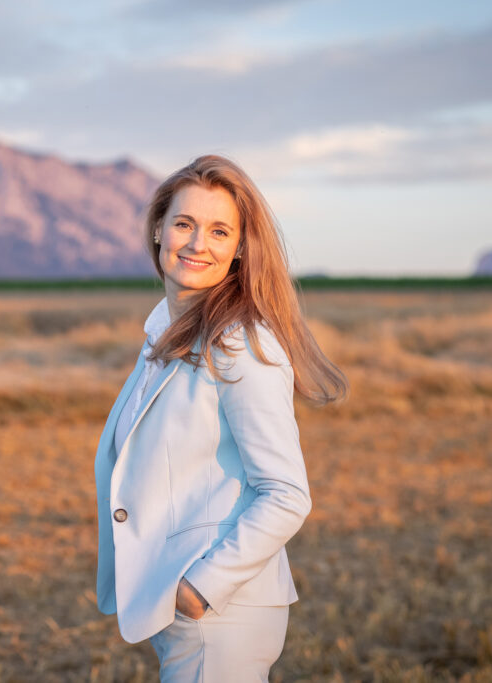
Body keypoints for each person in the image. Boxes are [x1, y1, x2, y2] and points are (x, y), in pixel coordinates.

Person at [93, 154, 349, 681]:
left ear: (238, 250)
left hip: (220, 611)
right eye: (184, 224)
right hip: (184, 605)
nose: (196, 243)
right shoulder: (167, 332)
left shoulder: (239, 343)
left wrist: (201, 588)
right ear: (158, 229)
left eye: (218, 231)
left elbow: (286, 493)